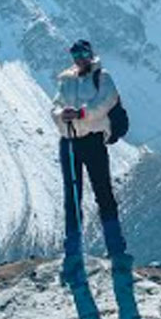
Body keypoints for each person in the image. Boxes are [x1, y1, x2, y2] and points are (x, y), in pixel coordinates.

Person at [51, 38, 131, 284]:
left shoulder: (102, 77)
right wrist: (60, 114)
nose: (80, 58)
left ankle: (116, 250)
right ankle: (73, 253)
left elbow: (104, 104)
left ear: (91, 53)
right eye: (76, 54)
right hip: (69, 141)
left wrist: (80, 114)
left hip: (92, 141)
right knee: (72, 197)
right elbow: (55, 106)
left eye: (84, 53)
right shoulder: (65, 79)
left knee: (103, 193)